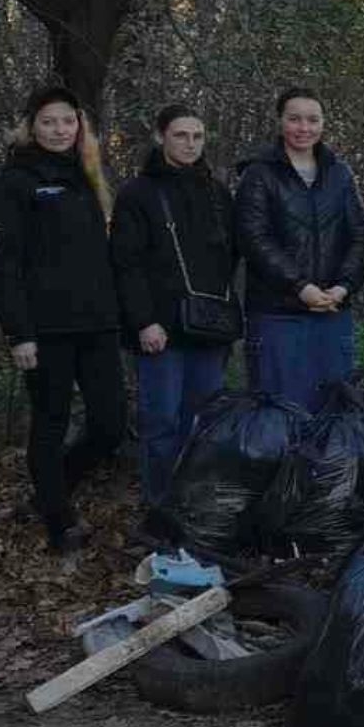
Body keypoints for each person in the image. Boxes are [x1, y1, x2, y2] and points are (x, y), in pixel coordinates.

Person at [0, 86, 125, 553]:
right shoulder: (15, 182)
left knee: (108, 425)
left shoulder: (86, 176)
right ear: (31, 126)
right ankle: (58, 522)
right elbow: (2, 264)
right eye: (49, 122)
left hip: (98, 325)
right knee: (50, 422)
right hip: (45, 330)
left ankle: (50, 490)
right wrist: (18, 332)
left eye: (67, 121)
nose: (59, 130)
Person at [112, 102, 235, 517]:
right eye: (181, 135)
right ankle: (160, 507)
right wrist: (144, 321)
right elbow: (126, 265)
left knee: (203, 424)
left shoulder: (217, 193)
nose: (190, 144)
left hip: (209, 329)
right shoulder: (138, 193)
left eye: (198, 136)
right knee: (161, 421)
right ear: (160, 136)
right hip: (160, 330)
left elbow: (231, 258)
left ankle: (196, 508)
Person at [233, 87, 364, 408]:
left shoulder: (340, 173)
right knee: (281, 412)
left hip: (333, 314)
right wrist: (300, 286)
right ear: (280, 121)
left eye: (312, 120)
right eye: (295, 119)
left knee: (334, 413)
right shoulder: (259, 173)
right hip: (278, 315)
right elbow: (254, 238)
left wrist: (343, 287)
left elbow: (360, 235)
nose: (303, 128)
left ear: (323, 124)